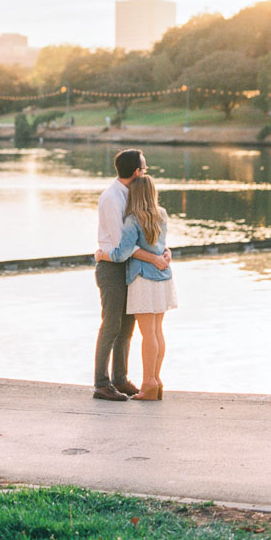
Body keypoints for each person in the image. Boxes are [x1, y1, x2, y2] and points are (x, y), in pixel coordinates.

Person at [93, 149, 170, 402]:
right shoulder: (112, 199)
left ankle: (120, 379)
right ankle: (101, 383)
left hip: (131, 268)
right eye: (144, 168)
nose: (145, 171)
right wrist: (156, 258)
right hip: (114, 267)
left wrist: (163, 251)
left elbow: (147, 238)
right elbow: (121, 248)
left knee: (127, 328)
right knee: (111, 325)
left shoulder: (135, 196)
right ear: (136, 171)